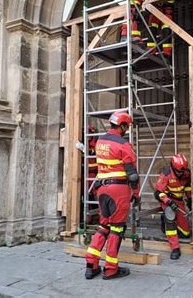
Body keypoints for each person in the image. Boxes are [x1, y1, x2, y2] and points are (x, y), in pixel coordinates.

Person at [84, 111, 140, 280]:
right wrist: (136, 194)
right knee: (117, 228)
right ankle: (110, 269)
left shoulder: (100, 141)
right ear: (122, 126)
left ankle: (91, 265)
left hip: (101, 189)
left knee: (104, 226)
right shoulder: (123, 145)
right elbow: (132, 175)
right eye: (126, 127)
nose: (126, 130)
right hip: (118, 190)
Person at [154, 154, 192, 260]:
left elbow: (188, 186)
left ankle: (166, 223)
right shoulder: (166, 174)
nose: (181, 174)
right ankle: (175, 248)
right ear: (173, 168)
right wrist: (169, 202)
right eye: (179, 172)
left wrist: (190, 199)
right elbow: (157, 193)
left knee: (186, 234)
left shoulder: (186, 173)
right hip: (167, 200)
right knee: (170, 217)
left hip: (179, 201)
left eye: (182, 171)